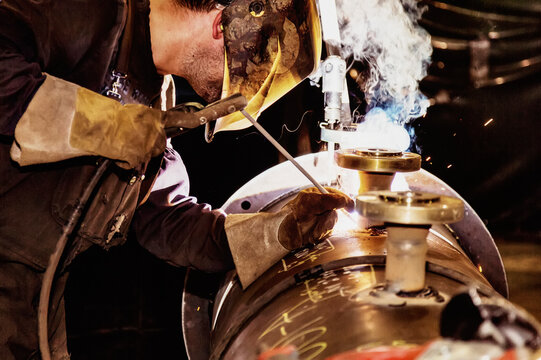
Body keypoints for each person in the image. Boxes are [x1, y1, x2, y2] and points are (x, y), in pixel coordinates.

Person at [0, 0, 352, 359]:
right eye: (230, 78)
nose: (226, 95)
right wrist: (106, 126)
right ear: (222, 27)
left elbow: (164, 217)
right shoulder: (94, 11)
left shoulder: (155, 96)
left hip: (31, 316)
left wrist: (274, 234)